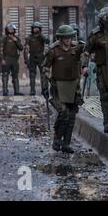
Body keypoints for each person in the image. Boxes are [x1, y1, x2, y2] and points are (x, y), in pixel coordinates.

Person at [42, 25, 88, 153]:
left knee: (72, 115)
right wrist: (45, 86)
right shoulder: (53, 51)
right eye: (65, 37)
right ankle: (57, 138)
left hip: (73, 86)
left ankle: (66, 143)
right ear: (60, 38)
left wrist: (85, 65)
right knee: (63, 112)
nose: (68, 40)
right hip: (58, 85)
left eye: (69, 37)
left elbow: (87, 52)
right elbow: (45, 68)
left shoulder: (77, 48)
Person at [83, 7, 108, 133]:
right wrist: (85, 66)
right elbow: (86, 51)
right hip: (102, 68)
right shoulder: (95, 34)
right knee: (106, 95)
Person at [24, 22, 49, 96]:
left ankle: (44, 90)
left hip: (41, 56)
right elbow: (26, 49)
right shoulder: (29, 38)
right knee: (32, 75)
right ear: (32, 29)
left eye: (37, 28)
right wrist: (26, 59)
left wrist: (41, 35)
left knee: (43, 74)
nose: (35, 29)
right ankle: (32, 90)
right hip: (32, 56)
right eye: (34, 28)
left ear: (40, 29)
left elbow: (47, 41)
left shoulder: (41, 37)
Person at [0, 23, 24, 96]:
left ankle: (16, 91)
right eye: (10, 29)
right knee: (5, 75)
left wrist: (16, 41)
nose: (11, 30)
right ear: (7, 30)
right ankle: (5, 91)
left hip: (15, 59)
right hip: (6, 59)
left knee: (15, 76)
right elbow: (0, 49)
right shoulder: (3, 38)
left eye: (12, 29)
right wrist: (2, 59)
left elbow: (21, 48)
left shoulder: (17, 38)